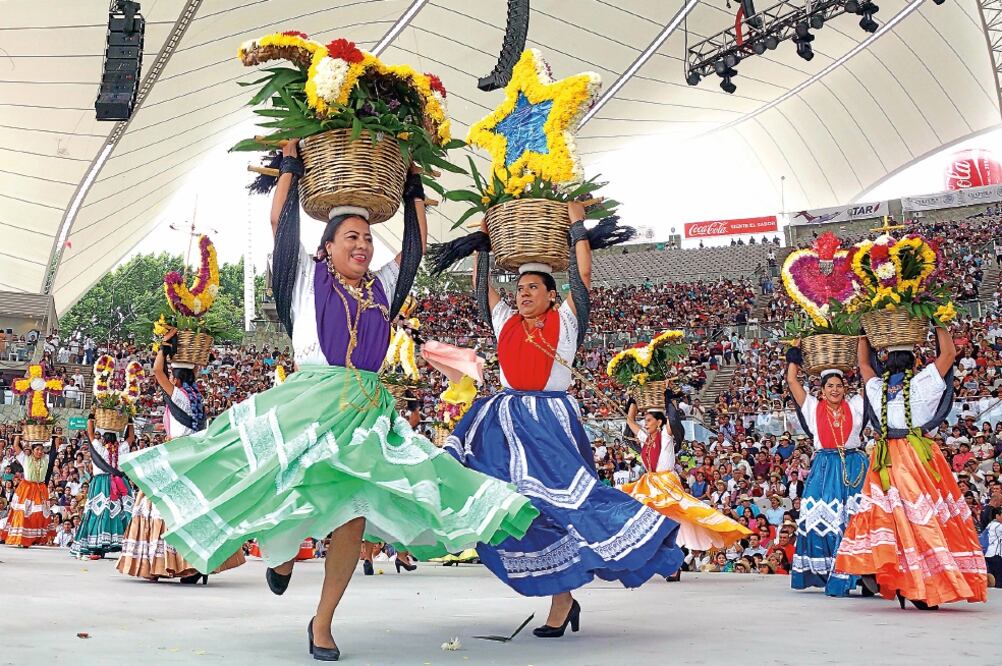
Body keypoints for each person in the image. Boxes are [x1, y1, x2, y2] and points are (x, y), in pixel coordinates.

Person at [120, 141, 536, 662]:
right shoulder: (304, 278)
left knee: (353, 514)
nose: (363, 245)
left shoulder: (384, 287)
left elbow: (414, 250)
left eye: (368, 238)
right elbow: (281, 224)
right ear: (328, 245)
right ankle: (281, 555)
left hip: (366, 415)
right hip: (309, 403)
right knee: (282, 484)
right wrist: (291, 167)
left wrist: (413, 188)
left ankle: (322, 621)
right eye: (352, 237)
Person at [440, 208, 682, 639]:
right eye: (519, 288)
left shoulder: (566, 320)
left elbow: (582, 275)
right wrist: (483, 241)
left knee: (563, 506)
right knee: (508, 506)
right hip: (504, 423)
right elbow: (482, 289)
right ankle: (562, 598)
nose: (523, 294)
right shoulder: (505, 322)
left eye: (533, 287)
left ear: (553, 295)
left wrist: (575, 227)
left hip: (550, 423)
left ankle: (573, 591)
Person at [835, 329, 988, 609]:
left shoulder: (877, 388)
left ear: (887, 363)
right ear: (914, 361)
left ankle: (887, 569)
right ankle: (923, 583)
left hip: (885, 458)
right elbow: (949, 354)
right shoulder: (922, 383)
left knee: (889, 518)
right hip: (917, 458)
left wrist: (863, 335)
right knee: (924, 520)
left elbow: (864, 364)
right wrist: (938, 321)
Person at [116, 335, 245, 583]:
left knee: (158, 505)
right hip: (192, 457)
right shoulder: (196, 397)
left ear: (175, 379)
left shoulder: (179, 395)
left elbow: (157, 371)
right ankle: (195, 564)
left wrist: (164, 347)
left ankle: (161, 563)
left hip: (175, 456)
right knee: (191, 508)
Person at [623, 396, 750, 563]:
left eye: (648, 420)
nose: (645, 424)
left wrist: (668, 399)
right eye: (645, 420)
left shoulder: (665, 436)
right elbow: (630, 421)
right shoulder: (645, 438)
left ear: (659, 422)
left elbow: (672, 420)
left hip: (666, 482)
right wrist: (633, 402)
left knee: (679, 516)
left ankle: (676, 554)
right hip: (649, 483)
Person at [785, 346, 869, 597]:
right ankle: (829, 571)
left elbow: (870, 381)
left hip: (854, 465)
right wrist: (793, 357)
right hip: (824, 467)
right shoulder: (812, 406)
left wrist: (865, 350)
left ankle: (862, 575)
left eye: (839, 386)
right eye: (830, 386)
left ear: (845, 388)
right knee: (820, 520)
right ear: (821, 390)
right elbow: (792, 381)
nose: (834, 390)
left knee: (856, 521)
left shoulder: (855, 405)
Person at [70, 417, 134, 560]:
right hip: (120, 482)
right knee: (122, 511)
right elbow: (131, 438)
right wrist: (130, 421)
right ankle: (127, 544)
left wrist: (91, 419)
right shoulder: (122, 448)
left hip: (101, 483)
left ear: (104, 440)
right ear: (116, 440)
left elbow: (90, 434)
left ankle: (96, 546)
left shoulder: (99, 448)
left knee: (99, 512)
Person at [1, 437, 60, 547]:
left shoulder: (46, 459)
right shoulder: (26, 458)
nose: (40, 452)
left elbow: (54, 450)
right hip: (26, 489)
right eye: (37, 449)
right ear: (32, 450)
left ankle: (34, 538)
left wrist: (55, 437)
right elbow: (15, 446)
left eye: (41, 450)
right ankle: (21, 538)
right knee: (23, 513)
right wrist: (18, 436)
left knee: (39, 514)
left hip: (40, 488)